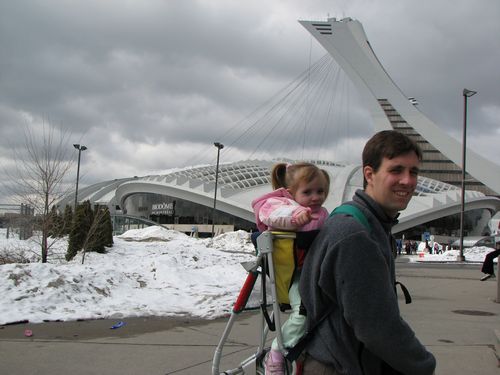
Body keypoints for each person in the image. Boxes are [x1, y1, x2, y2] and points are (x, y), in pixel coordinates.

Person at [299, 130, 436, 375]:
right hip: (340, 366)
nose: (408, 180)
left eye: (413, 171)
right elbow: (377, 328)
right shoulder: (355, 234)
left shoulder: (364, 221)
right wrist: (424, 365)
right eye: (396, 170)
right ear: (369, 174)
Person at [251, 162, 330, 375]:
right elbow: (272, 215)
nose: (316, 197)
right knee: (302, 313)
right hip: (293, 276)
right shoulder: (279, 205)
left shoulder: (323, 213)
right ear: (291, 193)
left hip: (314, 275)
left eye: (320, 191)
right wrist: (296, 217)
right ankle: (275, 353)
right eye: (307, 192)